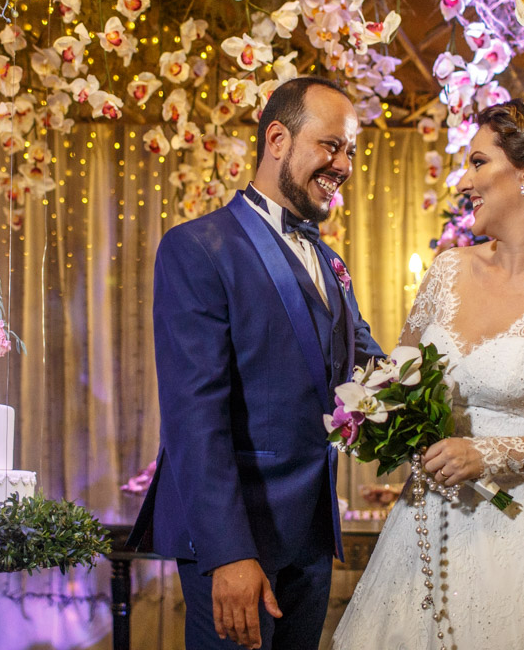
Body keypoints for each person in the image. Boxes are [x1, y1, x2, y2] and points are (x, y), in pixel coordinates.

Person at [333, 92, 524, 650]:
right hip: (428, 528)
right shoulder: (447, 271)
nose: (464, 180)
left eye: (478, 162)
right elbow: (397, 381)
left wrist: (491, 454)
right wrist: (380, 419)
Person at [129, 76, 385, 650]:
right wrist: (229, 554)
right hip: (237, 541)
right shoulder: (197, 247)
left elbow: (370, 370)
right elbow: (194, 417)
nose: (344, 165)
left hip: (311, 539)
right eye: (331, 145)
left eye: (349, 151)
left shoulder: (330, 260)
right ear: (277, 139)